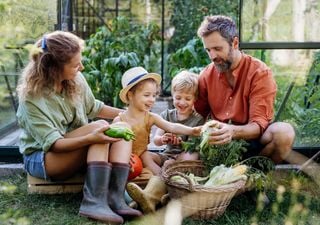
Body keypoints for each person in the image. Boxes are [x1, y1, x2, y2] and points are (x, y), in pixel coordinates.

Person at [16, 31, 141, 224]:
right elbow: (55, 144)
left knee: (120, 125)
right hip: (42, 157)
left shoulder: (75, 79)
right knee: (98, 129)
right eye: (75, 65)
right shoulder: (32, 99)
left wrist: (131, 114)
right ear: (54, 68)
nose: (81, 67)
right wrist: (91, 138)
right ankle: (93, 202)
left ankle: (114, 198)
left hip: (71, 145)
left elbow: (94, 108)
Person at [194, 15, 295, 164]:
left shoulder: (259, 73)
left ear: (234, 43)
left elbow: (259, 125)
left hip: (253, 141)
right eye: (208, 50)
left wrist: (232, 131)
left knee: (284, 133)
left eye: (217, 48)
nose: (212, 56)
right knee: (186, 156)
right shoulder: (206, 75)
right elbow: (199, 114)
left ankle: (255, 175)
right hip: (220, 144)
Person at [113, 66, 202, 213]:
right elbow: (113, 142)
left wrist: (191, 130)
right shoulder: (120, 119)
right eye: (147, 95)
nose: (152, 100)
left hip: (144, 157)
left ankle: (157, 189)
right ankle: (159, 191)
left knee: (148, 157)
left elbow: (172, 127)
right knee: (146, 158)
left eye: (154, 95)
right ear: (130, 95)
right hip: (127, 160)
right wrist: (122, 156)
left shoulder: (151, 117)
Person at [152, 70, 205, 163]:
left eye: (188, 99)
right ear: (172, 96)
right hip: (167, 155)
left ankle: (169, 169)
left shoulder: (198, 119)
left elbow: (195, 146)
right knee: (146, 156)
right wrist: (162, 139)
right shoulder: (166, 115)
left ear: (195, 99)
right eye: (178, 98)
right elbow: (156, 140)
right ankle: (161, 172)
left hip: (184, 155)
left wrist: (181, 142)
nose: (182, 102)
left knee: (192, 155)